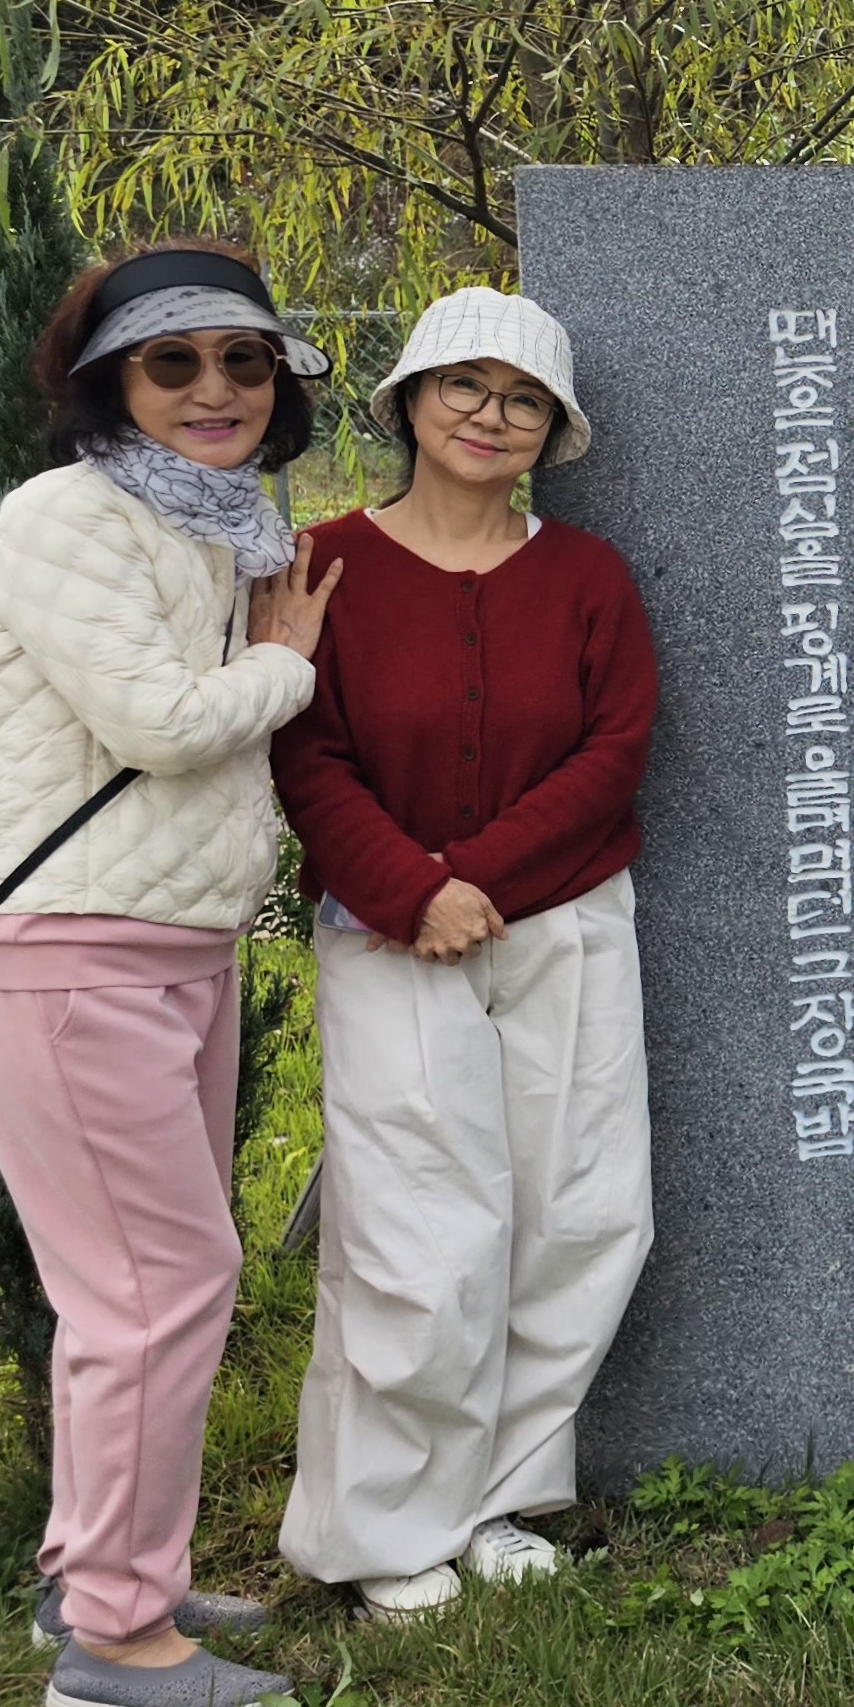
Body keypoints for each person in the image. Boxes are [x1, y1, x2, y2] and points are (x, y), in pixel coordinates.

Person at [0, 244, 344, 1707]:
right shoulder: (66, 517)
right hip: (74, 955)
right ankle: (117, 1646)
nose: (213, 390)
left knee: (131, 1289)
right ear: (107, 381)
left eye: (244, 360)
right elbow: (164, 724)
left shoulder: (217, 527)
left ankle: (101, 1575)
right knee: (158, 1287)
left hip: (177, 945)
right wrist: (290, 659)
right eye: (171, 362)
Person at [272, 288, 659, 1621]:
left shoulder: (587, 578)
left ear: (553, 429)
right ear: (408, 401)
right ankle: (385, 1525)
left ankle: (503, 1493)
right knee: (415, 1229)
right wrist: (409, 890)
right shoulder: (322, 564)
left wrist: (477, 880)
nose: (491, 417)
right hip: (387, 934)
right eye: (466, 386)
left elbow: (614, 749)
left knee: (581, 1209)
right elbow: (304, 750)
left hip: (563, 921)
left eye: (524, 399)